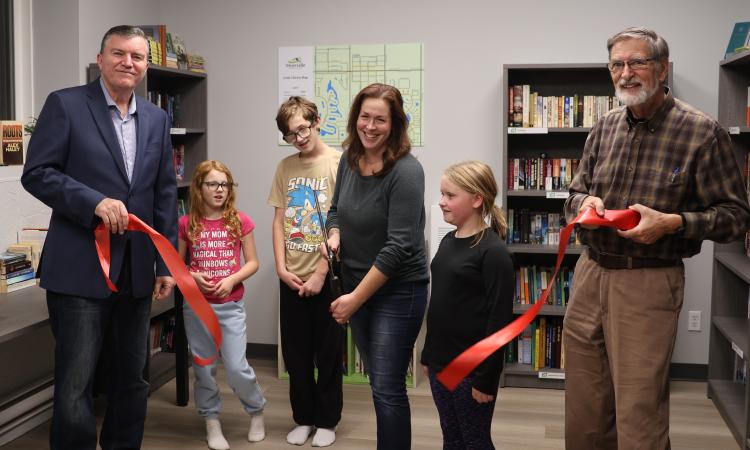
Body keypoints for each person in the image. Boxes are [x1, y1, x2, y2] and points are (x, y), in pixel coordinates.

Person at [563, 27, 750, 449]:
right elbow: (573, 195)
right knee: (584, 410)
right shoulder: (604, 127)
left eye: (637, 62)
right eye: (617, 64)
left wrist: (674, 223)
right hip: (590, 275)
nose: (625, 73)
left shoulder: (702, 132)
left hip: (648, 281)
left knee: (639, 414)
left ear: (662, 69)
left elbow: (736, 217)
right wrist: (584, 204)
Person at [20, 25, 177, 450]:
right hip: (79, 269)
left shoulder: (157, 118)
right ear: (101, 58)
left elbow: (164, 194)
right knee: (76, 382)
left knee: (133, 377)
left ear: (146, 66)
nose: (129, 62)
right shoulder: (66, 104)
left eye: (138, 56)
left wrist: (165, 263)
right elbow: (37, 173)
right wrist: (93, 202)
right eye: (119, 53)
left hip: (136, 271)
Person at [325, 83, 429, 450]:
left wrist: (354, 300)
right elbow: (334, 211)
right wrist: (334, 234)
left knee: (387, 386)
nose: (370, 126)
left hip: (398, 291)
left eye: (380, 119)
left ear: (395, 123)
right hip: (358, 285)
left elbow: (398, 248)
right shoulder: (349, 160)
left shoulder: (407, 171)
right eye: (364, 117)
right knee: (378, 381)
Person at [421, 161, 514, 450]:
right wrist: (428, 354)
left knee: (474, 441)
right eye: (442, 194)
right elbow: (440, 305)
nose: (441, 201)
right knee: (451, 437)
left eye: (450, 195)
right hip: (441, 363)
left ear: (476, 199)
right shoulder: (448, 241)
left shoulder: (493, 252)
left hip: (470, 370)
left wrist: (486, 379)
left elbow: (499, 321)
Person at [268, 96, 344, 447]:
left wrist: (320, 272)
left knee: (328, 352)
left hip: (327, 277)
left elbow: (344, 223)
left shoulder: (339, 163)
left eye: (302, 129)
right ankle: (304, 417)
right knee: (296, 355)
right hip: (292, 276)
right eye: (290, 134)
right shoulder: (285, 168)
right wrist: (281, 268)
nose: (298, 138)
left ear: (317, 122)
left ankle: (327, 420)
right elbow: (278, 220)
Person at [178, 160, 267, 449]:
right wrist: (193, 276)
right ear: (198, 188)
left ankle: (256, 410)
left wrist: (232, 280)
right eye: (212, 184)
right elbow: (176, 266)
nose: (219, 190)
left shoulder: (240, 221)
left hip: (230, 306)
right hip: (197, 308)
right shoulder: (186, 223)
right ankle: (211, 421)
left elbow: (253, 262)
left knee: (237, 367)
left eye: (224, 184)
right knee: (204, 369)